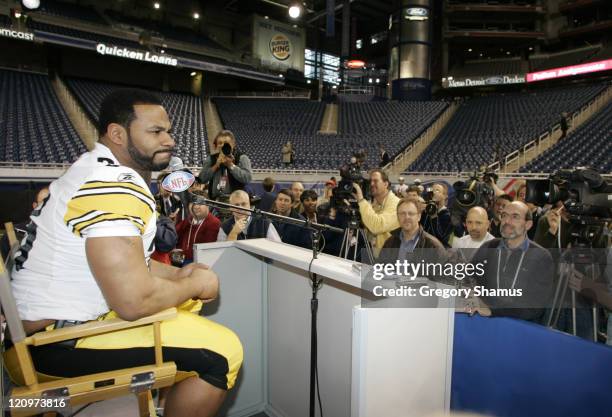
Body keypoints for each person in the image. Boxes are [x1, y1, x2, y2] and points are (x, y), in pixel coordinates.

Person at [7, 89, 243, 417]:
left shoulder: (93, 167)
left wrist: (180, 274)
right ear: (118, 133)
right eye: (156, 132)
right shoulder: (113, 184)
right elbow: (132, 301)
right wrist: (196, 284)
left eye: (169, 131)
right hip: (51, 347)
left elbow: (130, 262)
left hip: (42, 332)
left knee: (185, 306)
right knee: (222, 352)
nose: (170, 140)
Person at [469, 201, 555, 323]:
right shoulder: (489, 247)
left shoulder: (541, 257)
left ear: (528, 225)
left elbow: (536, 306)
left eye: (515, 217)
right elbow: (468, 279)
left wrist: (493, 311)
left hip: (519, 329)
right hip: (484, 323)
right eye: (504, 215)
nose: (507, 221)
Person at [379, 198, 446, 265]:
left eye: (411, 213)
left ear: (419, 216)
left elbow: (442, 274)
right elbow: (380, 270)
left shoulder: (433, 247)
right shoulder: (390, 243)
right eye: (402, 213)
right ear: (397, 216)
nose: (406, 217)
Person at [352, 169, 400, 258]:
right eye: (370, 181)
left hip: (390, 261)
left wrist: (361, 200)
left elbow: (377, 225)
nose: (371, 184)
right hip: (373, 257)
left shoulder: (396, 204)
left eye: (376, 181)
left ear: (386, 184)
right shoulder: (374, 205)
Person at [199, 130, 252, 201]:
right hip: (216, 201)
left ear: (233, 144)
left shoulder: (242, 158)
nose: (222, 145)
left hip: (236, 202)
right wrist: (215, 165)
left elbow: (247, 178)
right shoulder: (211, 159)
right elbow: (202, 179)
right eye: (220, 143)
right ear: (217, 145)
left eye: (226, 143)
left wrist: (230, 165)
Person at [1, 187, 49, 260]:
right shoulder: (15, 232)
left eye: (50, 203)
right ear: (34, 206)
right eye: (42, 202)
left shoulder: (68, 233)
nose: (46, 207)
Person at [175, 190, 220, 264]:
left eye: (200, 203)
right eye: (193, 203)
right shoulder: (188, 220)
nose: (195, 207)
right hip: (182, 261)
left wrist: (182, 252)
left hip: (201, 263)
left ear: (208, 205)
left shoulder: (214, 223)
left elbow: (206, 250)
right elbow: (174, 236)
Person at [421, 183, 452, 247]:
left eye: (437, 191)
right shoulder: (426, 211)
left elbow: (441, 238)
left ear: (445, 195)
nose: (434, 193)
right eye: (433, 191)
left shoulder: (448, 215)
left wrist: (434, 216)